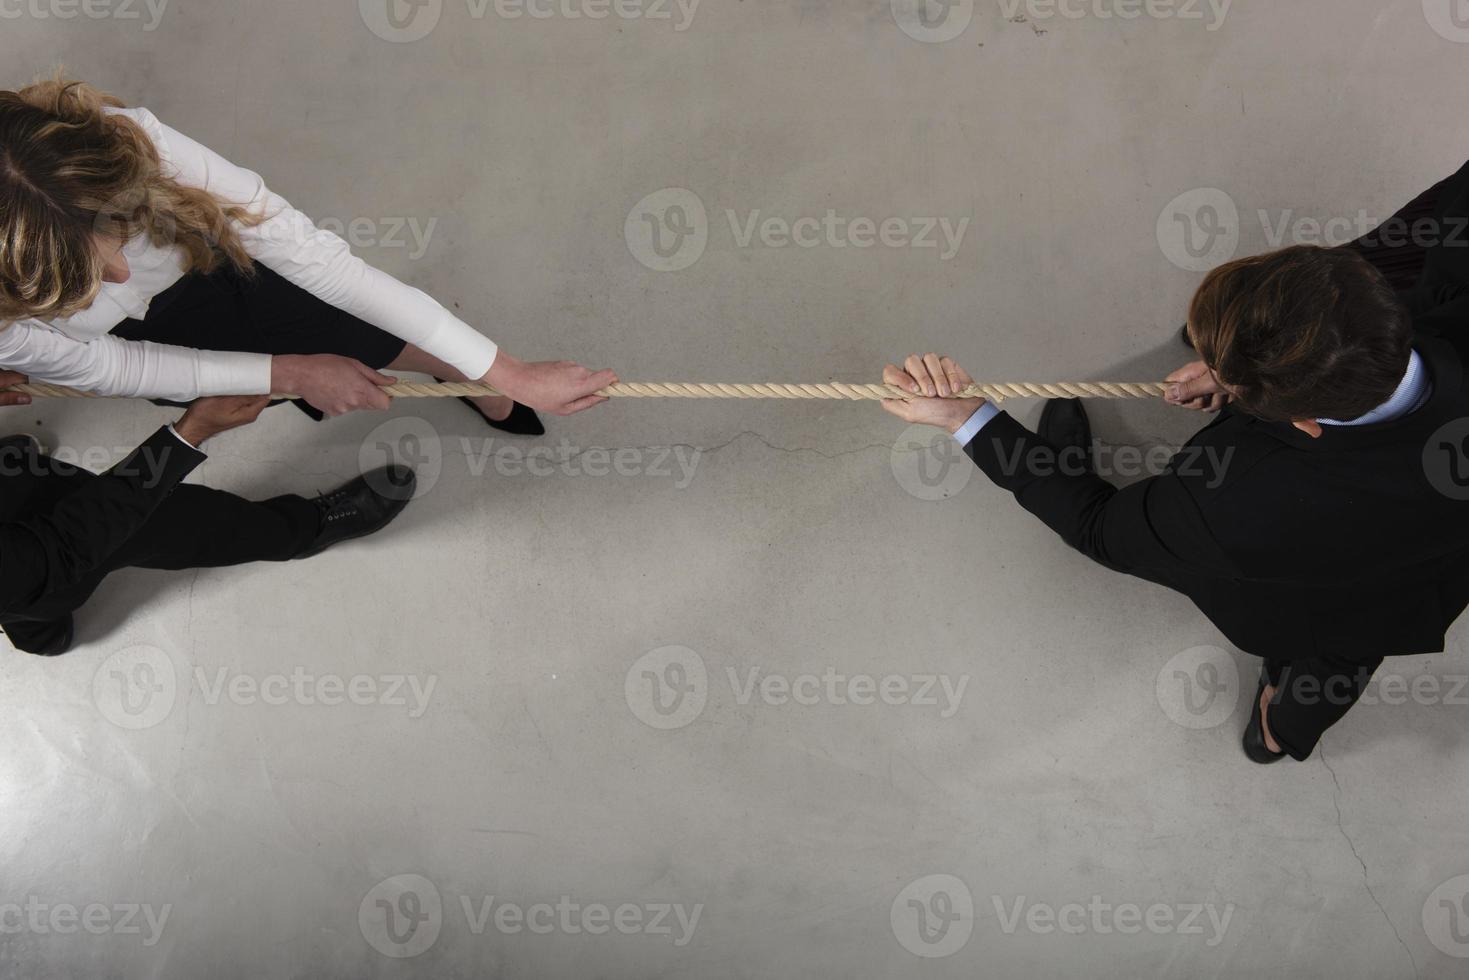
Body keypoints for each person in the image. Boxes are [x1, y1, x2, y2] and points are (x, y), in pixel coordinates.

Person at [881, 159, 1469, 763]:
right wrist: (1260, 372)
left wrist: (964, 416)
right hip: (1421, 581)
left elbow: (1099, 528)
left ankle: (1279, 726)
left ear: (1298, 418)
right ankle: (1284, 733)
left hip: (1305, 600)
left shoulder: (1231, 503)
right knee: (1347, 655)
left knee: (1318, 639)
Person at [0, 76, 617, 425]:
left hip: (206, 260)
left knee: (331, 318)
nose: (122, 272)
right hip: (135, 342)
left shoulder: (130, 145)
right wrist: (291, 373)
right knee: (282, 362)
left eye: (116, 231)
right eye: (81, 281)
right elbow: (113, 367)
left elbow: (316, 262)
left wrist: (502, 368)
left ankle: (454, 368)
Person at [0, 371, 417, 656]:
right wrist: (188, 436)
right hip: (43, 553)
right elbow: (70, 541)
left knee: (27, 565)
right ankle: (302, 530)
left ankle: (35, 627)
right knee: (166, 522)